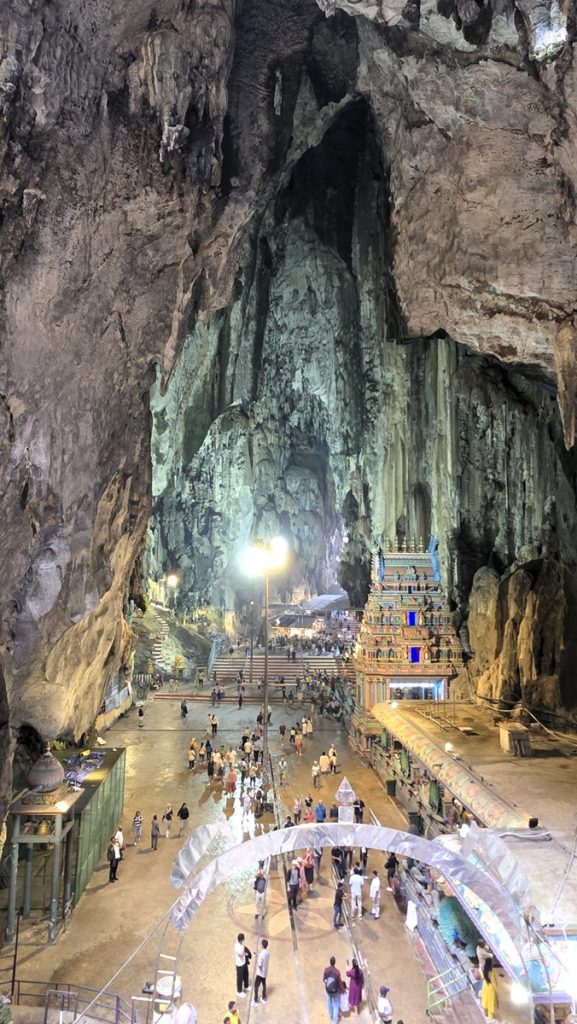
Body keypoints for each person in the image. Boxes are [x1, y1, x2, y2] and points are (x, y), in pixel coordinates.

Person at [323, 956, 343, 1024]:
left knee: (329, 1004)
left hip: (328, 990)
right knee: (336, 1005)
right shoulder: (337, 972)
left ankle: (331, 1016)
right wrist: (342, 989)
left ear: (330, 962)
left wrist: (327, 985)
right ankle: (334, 1021)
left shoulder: (326, 970)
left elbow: (324, 979)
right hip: (336, 992)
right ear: (335, 963)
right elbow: (339, 982)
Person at [252, 938, 270, 1006]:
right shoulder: (268, 953)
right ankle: (264, 998)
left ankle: (255, 1000)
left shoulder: (261, 954)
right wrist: (259, 955)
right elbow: (264, 958)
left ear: (262, 945)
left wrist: (257, 958)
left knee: (256, 986)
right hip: (265, 972)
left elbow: (259, 965)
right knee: (264, 984)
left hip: (260, 973)